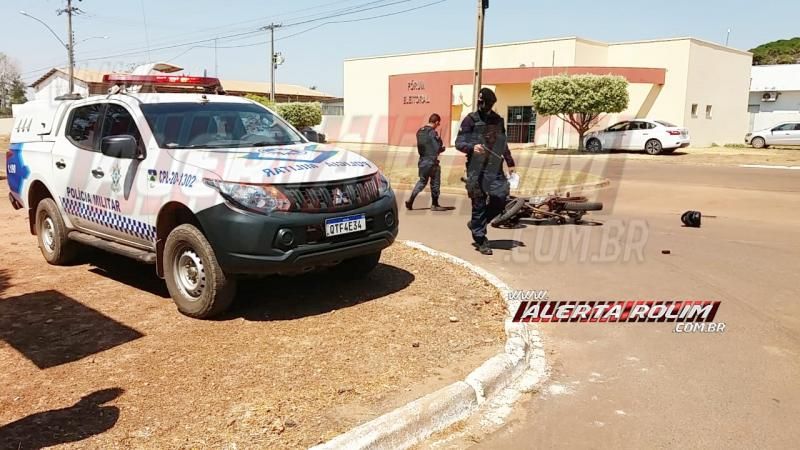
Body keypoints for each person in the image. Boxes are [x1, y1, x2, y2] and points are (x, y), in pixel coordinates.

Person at [455, 88, 516, 255]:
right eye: (482, 103)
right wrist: (471, 147)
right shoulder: (470, 120)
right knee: (479, 204)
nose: (484, 106)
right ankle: (480, 239)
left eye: (487, 104)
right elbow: (459, 142)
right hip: (476, 169)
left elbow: (503, 143)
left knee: (500, 199)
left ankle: (477, 224)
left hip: (495, 168)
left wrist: (510, 162)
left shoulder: (498, 120)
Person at [405, 113, 449, 211]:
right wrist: (441, 147)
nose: (438, 126)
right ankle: (435, 204)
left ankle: (410, 200)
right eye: (438, 124)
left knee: (422, 181)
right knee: (435, 183)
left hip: (422, 161)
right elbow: (437, 148)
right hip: (432, 162)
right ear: (436, 122)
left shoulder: (420, 131)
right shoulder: (432, 132)